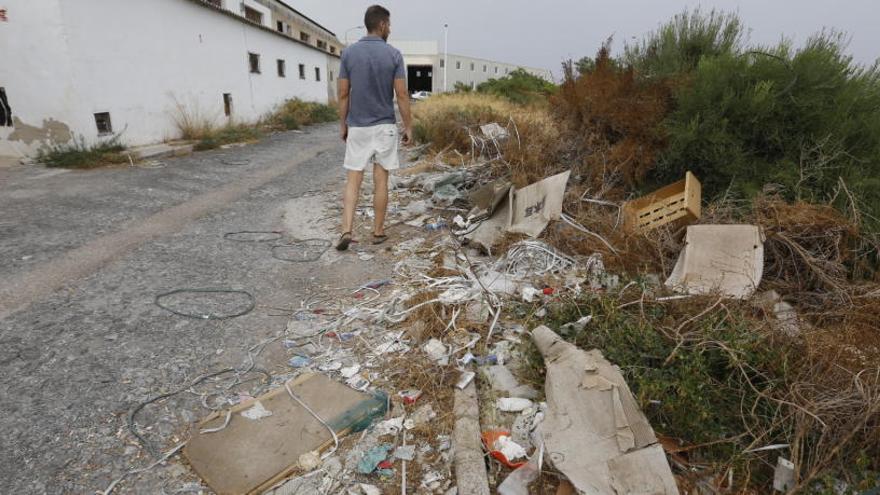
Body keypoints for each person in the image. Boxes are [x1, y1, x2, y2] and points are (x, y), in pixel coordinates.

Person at [335, 4, 412, 251]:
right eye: (388, 24)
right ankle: (378, 232)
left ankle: (346, 230)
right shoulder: (394, 55)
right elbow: (401, 94)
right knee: (381, 181)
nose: (390, 28)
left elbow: (343, 93)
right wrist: (408, 126)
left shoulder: (348, 54)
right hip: (384, 128)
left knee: (353, 181)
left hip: (358, 126)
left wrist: (343, 124)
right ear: (381, 25)